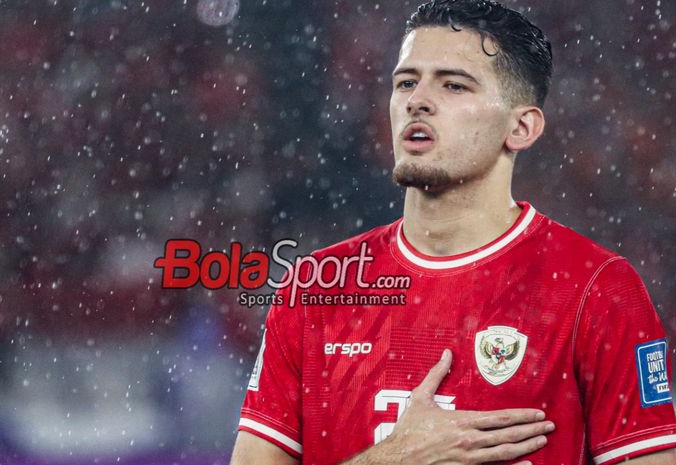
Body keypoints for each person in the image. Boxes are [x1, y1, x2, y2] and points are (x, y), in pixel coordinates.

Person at [230, 1, 676, 464]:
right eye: (406, 81)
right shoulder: (317, 285)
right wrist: (393, 458)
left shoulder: (597, 287)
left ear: (521, 127)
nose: (416, 99)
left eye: (453, 85)